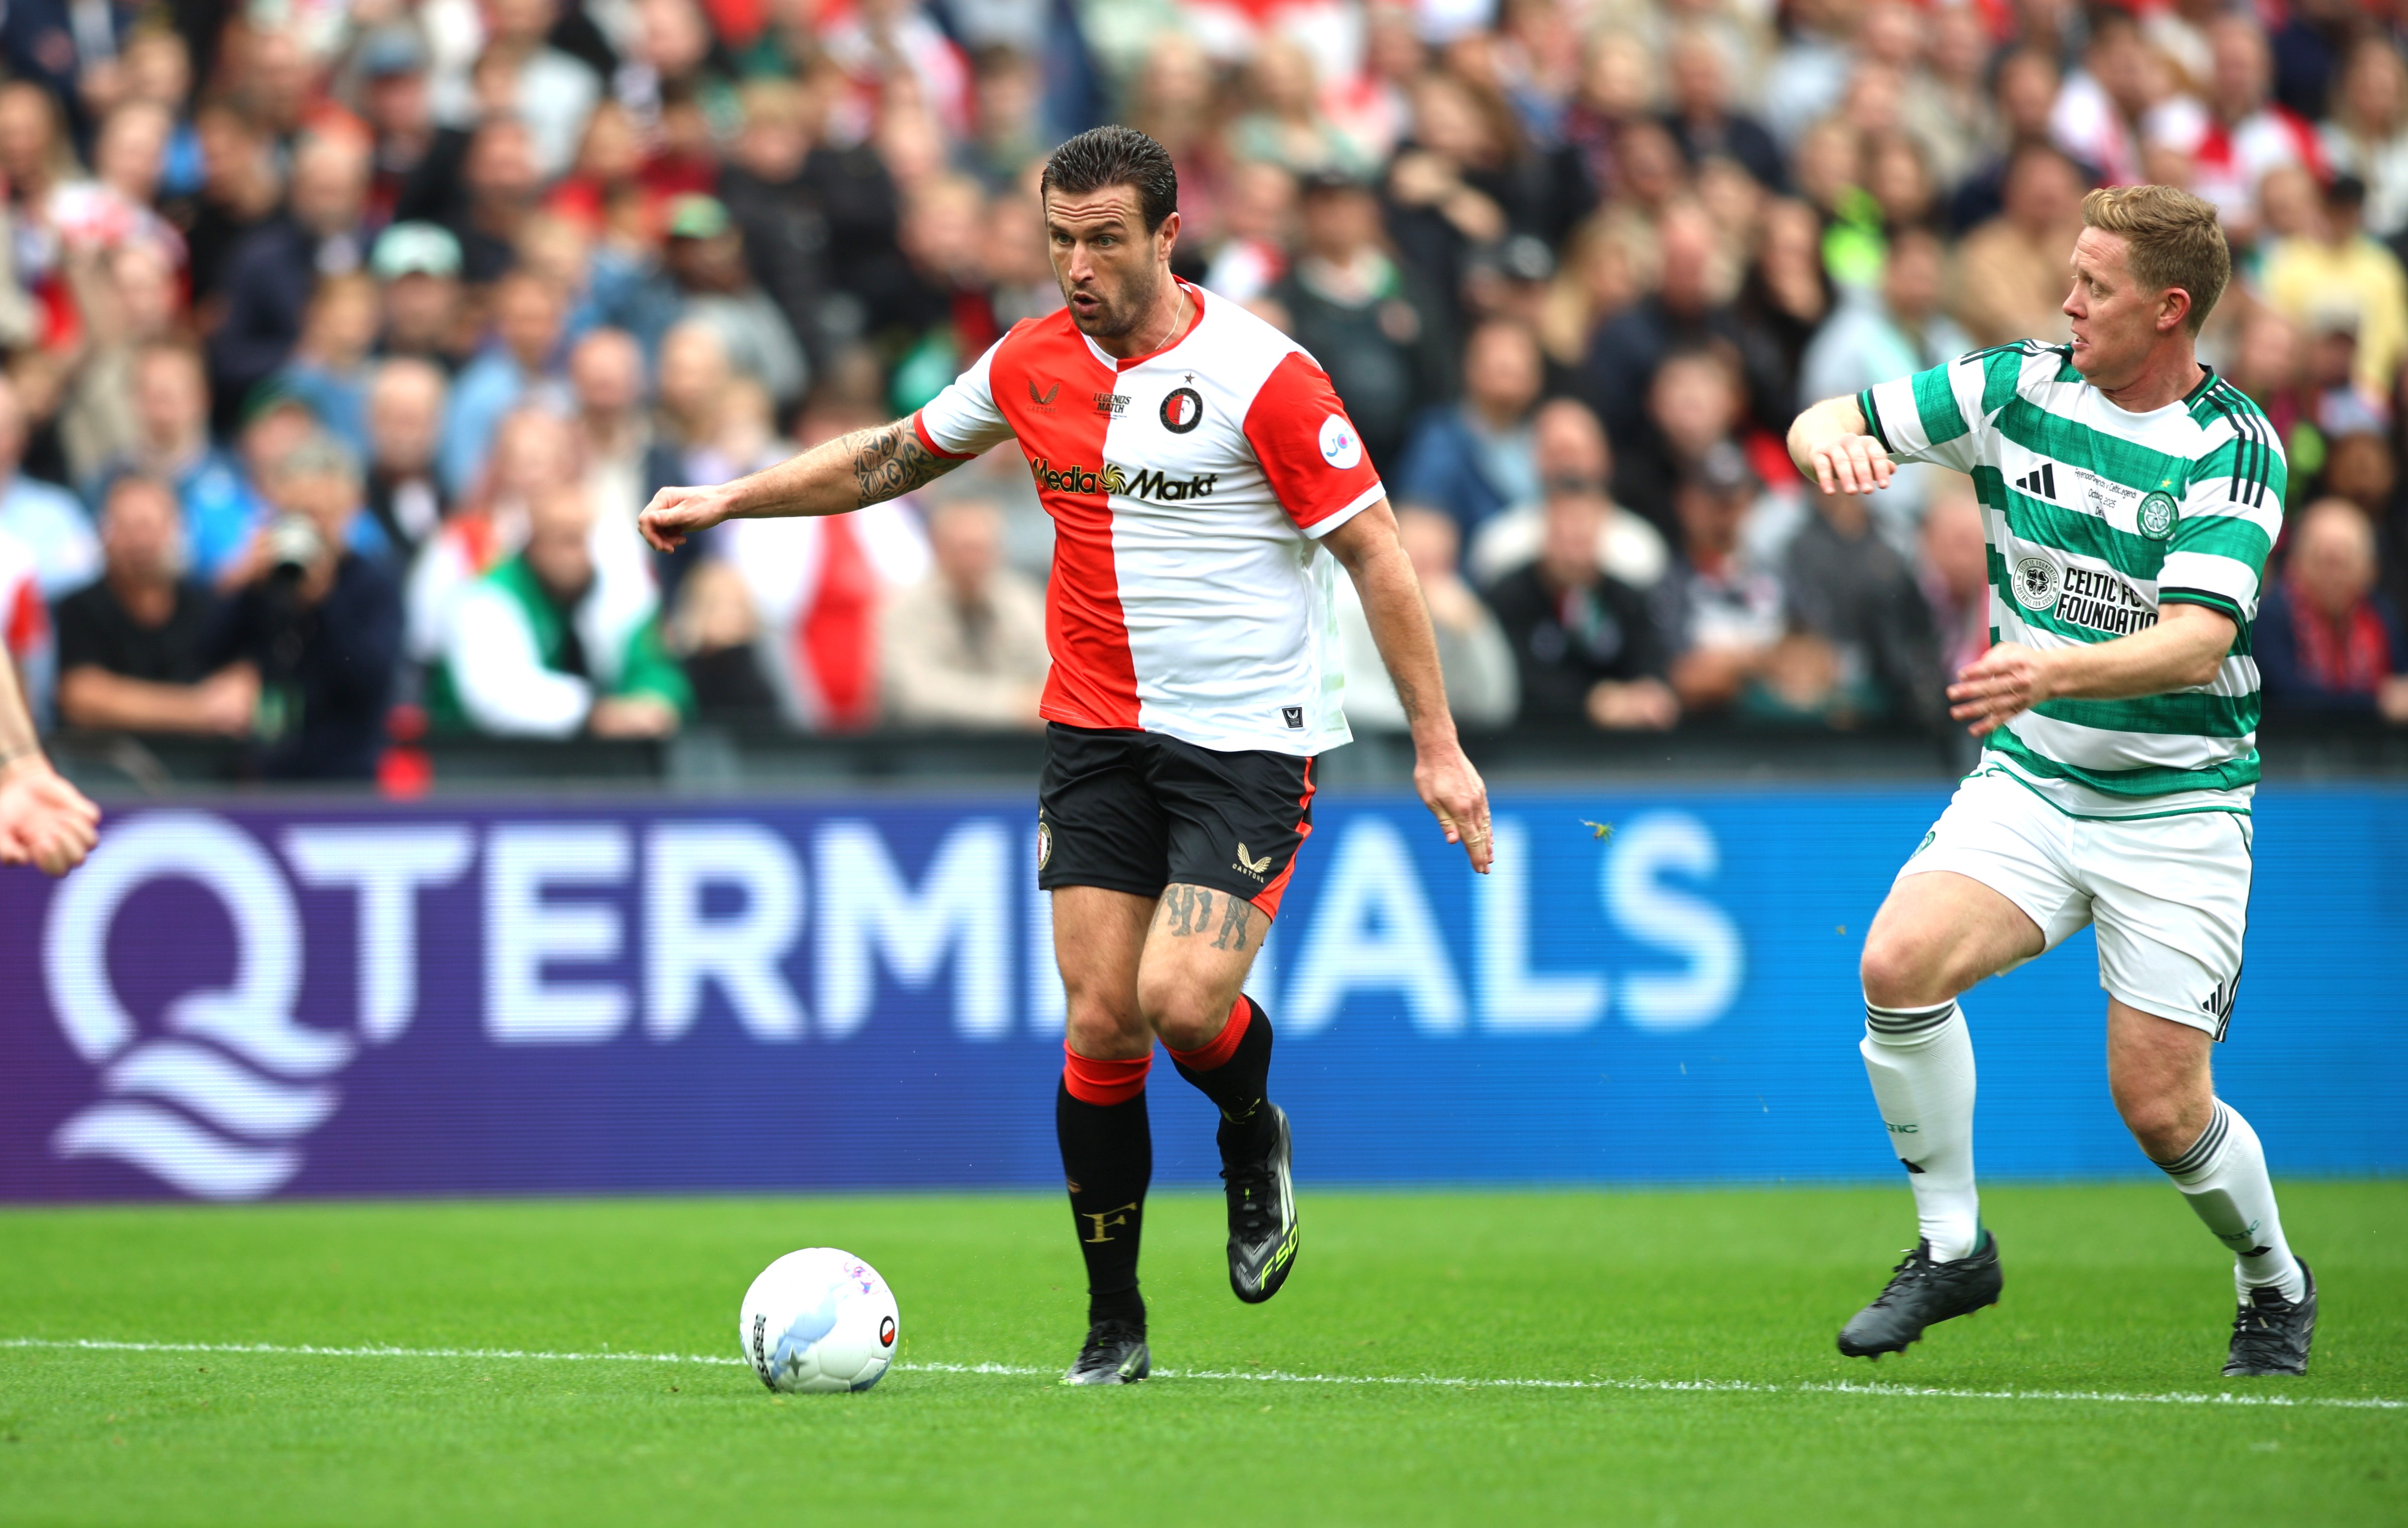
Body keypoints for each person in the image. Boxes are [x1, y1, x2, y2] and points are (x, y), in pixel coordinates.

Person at [639, 126, 1491, 1386]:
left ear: (1166, 235)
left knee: (1182, 1000)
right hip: (1094, 733)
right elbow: (890, 455)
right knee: (1101, 1020)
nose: (1077, 266)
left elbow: (1373, 550)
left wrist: (1437, 743)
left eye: (1103, 240)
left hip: (1245, 740)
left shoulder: (1265, 376)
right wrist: (730, 498)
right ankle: (1114, 1322)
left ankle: (1249, 1130)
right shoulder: (1028, 360)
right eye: (1058, 240)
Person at [1788, 183, 2314, 1377]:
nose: (2065, 301)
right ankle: (1951, 1248)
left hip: (2177, 803)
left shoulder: (2233, 447)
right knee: (1895, 965)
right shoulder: (2015, 385)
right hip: (2033, 780)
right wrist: (1829, 444)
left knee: (2160, 1108)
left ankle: (2272, 1278)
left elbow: (2196, 640)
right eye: (2069, 275)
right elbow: (1826, 415)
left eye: (2094, 285)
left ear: (2168, 309)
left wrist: (2050, 669)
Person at [206, 434, 404, 780]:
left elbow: (371, 682)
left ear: (352, 509)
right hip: (261, 775)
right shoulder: (264, 583)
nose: (309, 529)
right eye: (295, 514)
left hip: (345, 778)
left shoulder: (375, 586)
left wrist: (324, 602)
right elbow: (205, 655)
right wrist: (241, 585)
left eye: (320, 515)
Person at [433, 484, 691, 738]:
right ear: (533, 543)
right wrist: (595, 713)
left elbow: (654, 663)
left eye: (586, 537)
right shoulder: (487, 598)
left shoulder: (617, 586)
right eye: (566, 540)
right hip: (477, 756)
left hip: (597, 758)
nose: (581, 553)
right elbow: (498, 696)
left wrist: (656, 702)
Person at [55, 474, 252, 737]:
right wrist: (198, 709)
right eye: (126, 528)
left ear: (177, 531)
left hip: (201, 758)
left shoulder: (207, 605)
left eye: (149, 526)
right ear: (104, 535)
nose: (140, 542)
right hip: (105, 756)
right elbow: (81, 698)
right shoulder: (78, 608)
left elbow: (241, 688)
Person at [1484, 484, 1675, 730]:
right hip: (1533, 741)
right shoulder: (1507, 598)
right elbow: (1512, 679)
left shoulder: (1628, 599)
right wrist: (1593, 701)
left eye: (1582, 538)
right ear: (1545, 530)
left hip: (1623, 744)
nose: (1573, 556)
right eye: (1564, 536)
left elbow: (1652, 668)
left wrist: (1646, 697)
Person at [1337, 505, 1517, 732]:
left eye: (1440, 563)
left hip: (1429, 736)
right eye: (1419, 560)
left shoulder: (1454, 602)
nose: (1427, 576)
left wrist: (1473, 632)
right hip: (1359, 740)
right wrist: (1427, 716)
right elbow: (1341, 695)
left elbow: (1495, 706)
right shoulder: (1348, 594)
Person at [878, 498, 1049, 729]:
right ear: (938, 549)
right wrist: (1014, 704)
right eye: (963, 550)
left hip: (1017, 743)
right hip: (933, 743)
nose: (972, 561)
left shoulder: (1024, 601)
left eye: (981, 549)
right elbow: (914, 694)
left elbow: (1051, 677)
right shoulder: (902, 609)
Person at [2256, 498, 2408, 723]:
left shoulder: (2380, 615)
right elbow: (2287, 697)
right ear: (2295, 563)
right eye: (2323, 561)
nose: (2333, 577)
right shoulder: (2269, 618)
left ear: (2370, 570)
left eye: (2344, 563)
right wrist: (2377, 702)